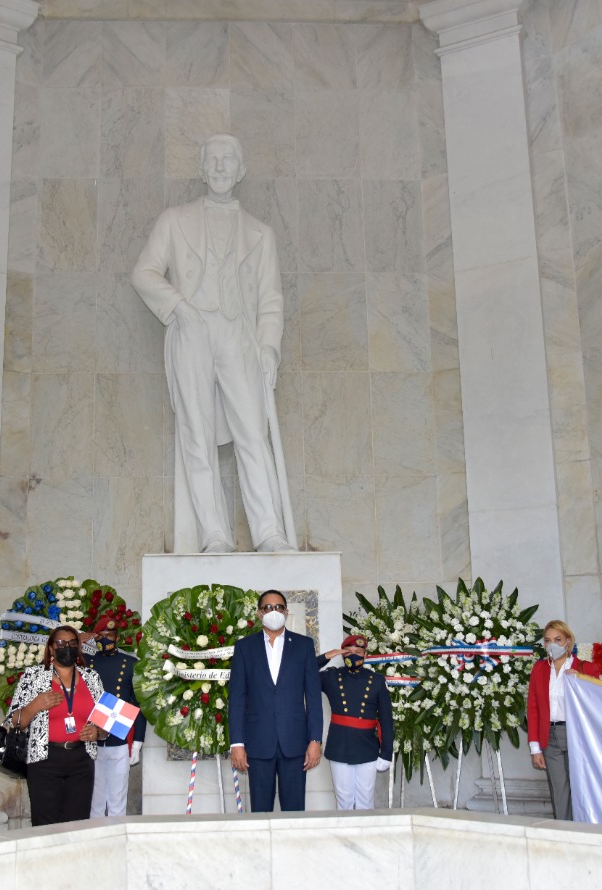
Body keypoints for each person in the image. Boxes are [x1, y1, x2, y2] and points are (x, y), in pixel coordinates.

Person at [132, 133, 294, 555]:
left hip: (239, 336)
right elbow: (145, 272)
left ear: (240, 171)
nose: (221, 167)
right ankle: (214, 534)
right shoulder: (174, 220)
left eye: (228, 160)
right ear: (202, 169)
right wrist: (179, 308)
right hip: (191, 330)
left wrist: (269, 347)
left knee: (252, 435)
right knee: (197, 433)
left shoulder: (261, 233)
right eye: (213, 160)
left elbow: (271, 297)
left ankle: (268, 532)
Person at [228, 590, 323, 812]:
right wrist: (237, 744)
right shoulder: (244, 648)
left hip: (295, 743)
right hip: (258, 744)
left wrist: (315, 740)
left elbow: (313, 698)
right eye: (268, 607)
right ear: (260, 613)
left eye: (279, 607)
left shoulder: (303, 646)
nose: (274, 611)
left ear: (286, 612)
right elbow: (238, 699)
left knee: (294, 812)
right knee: (260, 812)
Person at [8, 626, 108, 826]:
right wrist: (37, 705)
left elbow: (105, 725)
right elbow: (14, 721)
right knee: (45, 824)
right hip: (45, 760)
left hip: (82, 759)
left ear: (78, 647)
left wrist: (97, 732)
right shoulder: (34, 676)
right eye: (61, 644)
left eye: (72, 643)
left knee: (78, 824)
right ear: (51, 649)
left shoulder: (92, 677)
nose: (67, 648)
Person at [527, 620, 602, 821]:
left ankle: (586, 829)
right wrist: (535, 748)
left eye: (557, 639)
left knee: (582, 788)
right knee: (559, 791)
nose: (552, 644)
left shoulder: (586, 668)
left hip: (576, 735)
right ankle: (564, 831)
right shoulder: (540, 669)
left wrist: (582, 681)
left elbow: (599, 702)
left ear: (568, 642)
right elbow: (533, 708)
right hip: (550, 736)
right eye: (548, 640)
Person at [316, 634, 393, 810]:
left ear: (365, 655)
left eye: (358, 651)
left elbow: (386, 719)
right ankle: (346, 836)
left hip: (367, 747)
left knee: (365, 799)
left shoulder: (377, 680)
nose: (353, 655)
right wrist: (327, 656)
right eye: (348, 651)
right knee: (344, 800)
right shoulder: (332, 677)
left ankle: (365, 837)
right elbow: (302, 674)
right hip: (340, 745)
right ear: (342, 654)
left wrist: (386, 752)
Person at [87, 618, 145, 818]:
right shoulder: (86, 663)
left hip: (120, 737)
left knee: (117, 800)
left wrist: (138, 741)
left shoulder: (130, 664)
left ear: (117, 637)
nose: (105, 640)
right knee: (94, 800)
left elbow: (138, 704)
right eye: (100, 636)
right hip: (91, 740)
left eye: (109, 636)